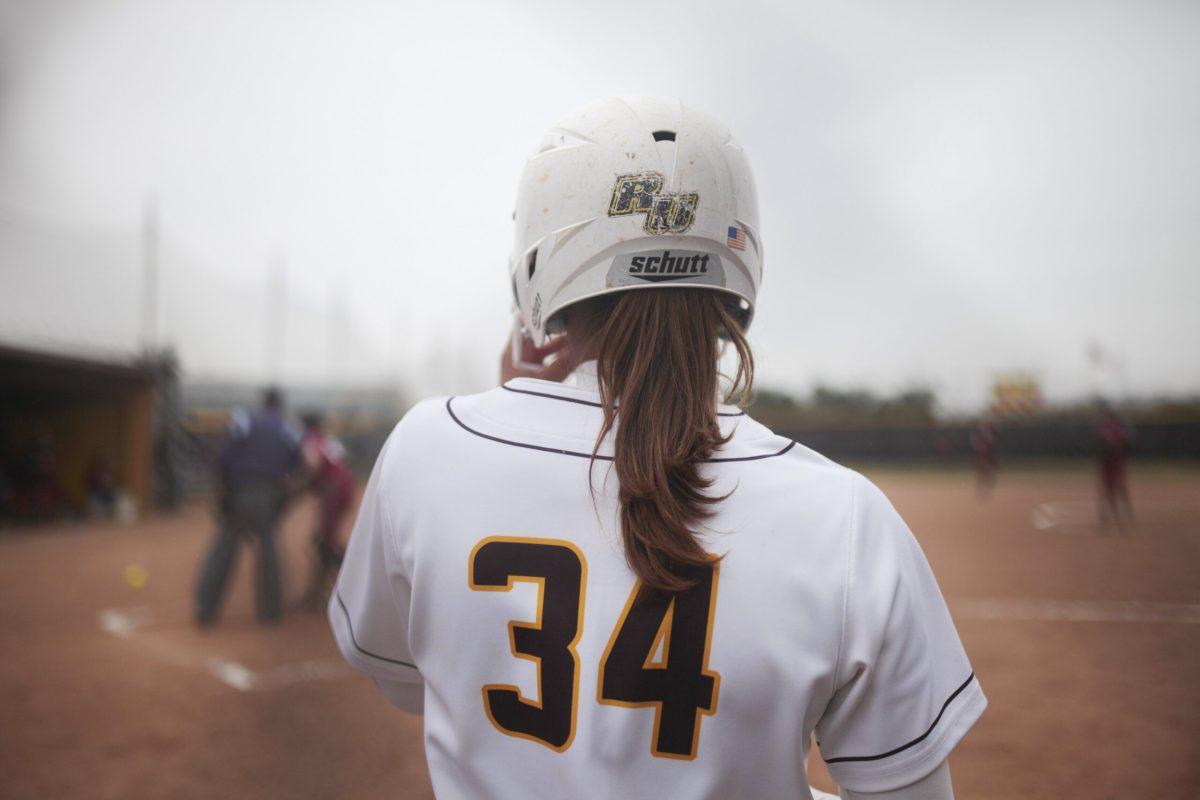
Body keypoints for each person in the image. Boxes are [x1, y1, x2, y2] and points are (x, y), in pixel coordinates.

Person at [329, 98, 984, 800]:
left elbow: (408, 684)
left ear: (541, 262)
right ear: (738, 257)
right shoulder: (848, 518)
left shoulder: (429, 453)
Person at [195, 387, 300, 625]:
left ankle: (205, 611)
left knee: (223, 551)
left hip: (239, 493)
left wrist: (221, 491)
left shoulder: (245, 419)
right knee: (269, 554)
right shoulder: (287, 427)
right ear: (280, 404)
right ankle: (270, 613)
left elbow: (223, 456)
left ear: (262, 402)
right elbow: (297, 463)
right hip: (269, 494)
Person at [299, 412, 356, 608]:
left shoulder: (311, 438)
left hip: (333, 489)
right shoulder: (327, 439)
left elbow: (314, 465)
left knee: (326, 541)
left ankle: (353, 582)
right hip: (345, 486)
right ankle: (318, 591)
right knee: (325, 540)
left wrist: (308, 484)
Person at [1096, 406, 1134, 532]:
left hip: (1109, 464)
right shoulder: (1118, 428)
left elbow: (1101, 444)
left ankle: (1108, 516)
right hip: (1114, 463)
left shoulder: (1107, 428)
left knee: (1111, 490)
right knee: (1120, 488)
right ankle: (1125, 513)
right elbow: (1127, 441)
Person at [969, 420, 998, 499]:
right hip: (981, 454)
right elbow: (976, 445)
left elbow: (990, 443)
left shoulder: (986, 436)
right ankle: (982, 486)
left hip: (986, 454)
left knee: (986, 470)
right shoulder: (976, 436)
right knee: (982, 471)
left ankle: (987, 485)